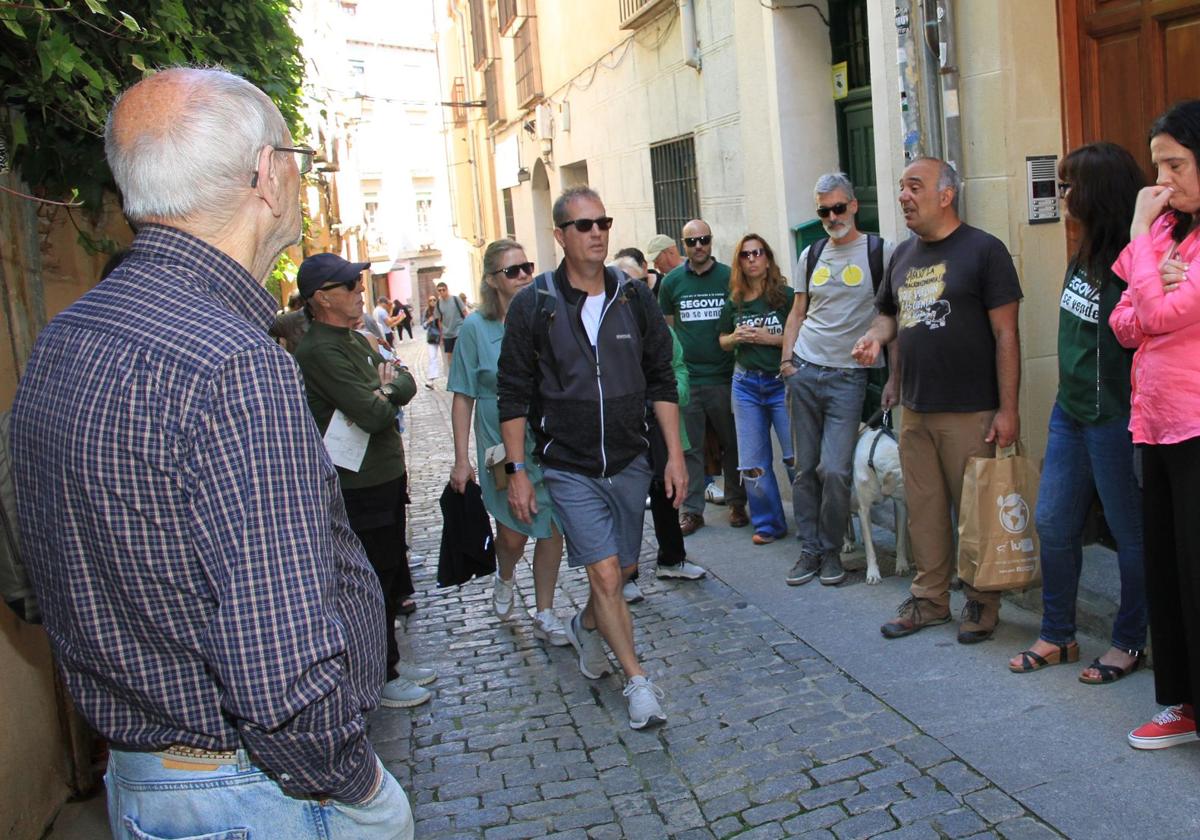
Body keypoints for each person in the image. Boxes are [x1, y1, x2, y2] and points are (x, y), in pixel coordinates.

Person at [9, 67, 414, 839]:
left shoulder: (65, 336)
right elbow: (280, 668)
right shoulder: (233, 364)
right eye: (295, 153)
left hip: (148, 783)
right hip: (255, 795)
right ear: (268, 174)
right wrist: (359, 785)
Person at [497, 186, 686, 729]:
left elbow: (660, 379)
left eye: (602, 221)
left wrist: (673, 456)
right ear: (560, 236)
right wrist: (518, 472)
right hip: (569, 466)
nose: (597, 232)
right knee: (605, 576)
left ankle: (587, 626)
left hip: (630, 461)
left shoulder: (634, 296)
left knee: (621, 571)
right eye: (584, 225)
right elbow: (511, 393)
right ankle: (638, 682)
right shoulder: (535, 305)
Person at [853, 157, 1022, 644]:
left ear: (946, 195)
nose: (904, 196)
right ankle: (929, 600)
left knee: (976, 512)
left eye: (914, 186)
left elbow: (1006, 333)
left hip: (972, 410)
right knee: (924, 510)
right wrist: (874, 340)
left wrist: (1008, 409)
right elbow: (891, 318)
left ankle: (982, 600)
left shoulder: (986, 251)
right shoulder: (902, 256)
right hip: (916, 409)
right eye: (901, 187)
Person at [1007, 144, 1146, 686]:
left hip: (1114, 418)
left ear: (1100, 193)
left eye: (1070, 187)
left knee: (1130, 535)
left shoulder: (1134, 260)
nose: (1062, 196)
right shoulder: (1082, 250)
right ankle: (1058, 633)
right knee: (1053, 522)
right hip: (1071, 413)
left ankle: (1129, 641)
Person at [293, 253, 434, 710]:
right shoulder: (318, 350)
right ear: (322, 298)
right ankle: (380, 674)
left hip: (385, 475)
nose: (359, 292)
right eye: (349, 286)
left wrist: (385, 387)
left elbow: (404, 380)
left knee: (392, 571)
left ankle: (389, 659)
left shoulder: (356, 339)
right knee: (371, 577)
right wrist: (384, 391)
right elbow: (373, 413)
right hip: (357, 484)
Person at [1109, 99, 1200, 750]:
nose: (1162, 181)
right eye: (1157, 166)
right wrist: (1155, 281)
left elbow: (1166, 317)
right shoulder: (1166, 236)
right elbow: (1125, 321)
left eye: (1175, 164)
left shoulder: (1154, 233)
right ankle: (1181, 703)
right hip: (1155, 424)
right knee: (1167, 569)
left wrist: (1145, 250)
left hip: (1197, 425)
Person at [448, 240, 568, 645]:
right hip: (498, 445)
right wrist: (461, 459)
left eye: (526, 268)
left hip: (545, 437)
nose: (522, 277)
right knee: (514, 533)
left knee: (552, 528)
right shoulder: (474, 328)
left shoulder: (545, 316)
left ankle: (546, 612)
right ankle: (505, 572)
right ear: (491, 281)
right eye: (511, 271)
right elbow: (462, 394)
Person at [781, 173, 896, 585]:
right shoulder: (810, 254)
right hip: (806, 369)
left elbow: (890, 317)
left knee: (834, 469)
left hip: (849, 378)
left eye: (838, 208)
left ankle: (831, 549)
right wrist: (787, 363)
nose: (832, 217)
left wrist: (892, 376)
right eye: (823, 211)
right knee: (804, 468)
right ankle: (810, 550)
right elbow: (797, 313)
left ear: (854, 205)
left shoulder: (880, 252)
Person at [658, 218, 749, 535]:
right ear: (683, 245)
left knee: (731, 444)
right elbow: (667, 331)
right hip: (689, 381)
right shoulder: (670, 283)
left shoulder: (728, 277)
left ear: (711, 241)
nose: (699, 246)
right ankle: (692, 510)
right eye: (692, 241)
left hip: (724, 376)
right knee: (690, 449)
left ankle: (737, 503)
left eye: (704, 240)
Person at [717, 234, 795, 545]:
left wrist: (769, 339)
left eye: (758, 253)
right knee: (751, 461)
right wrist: (735, 337)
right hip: (746, 384)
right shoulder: (734, 301)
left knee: (795, 457)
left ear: (768, 258)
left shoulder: (786, 297)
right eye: (745, 255)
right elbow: (721, 340)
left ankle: (811, 524)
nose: (752, 259)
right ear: (739, 263)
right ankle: (769, 524)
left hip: (781, 382)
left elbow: (801, 336)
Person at [436, 280, 467, 364]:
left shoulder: (455, 299)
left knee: (461, 352)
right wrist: (441, 335)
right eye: (439, 290)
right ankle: (453, 373)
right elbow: (439, 320)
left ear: (447, 289)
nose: (442, 292)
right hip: (447, 333)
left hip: (459, 329)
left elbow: (464, 312)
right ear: (437, 292)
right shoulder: (438, 304)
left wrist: (468, 326)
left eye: (443, 289)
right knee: (450, 356)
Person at [422, 294, 443, 387]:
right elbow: (424, 326)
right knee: (432, 358)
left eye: (434, 300)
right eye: (430, 300)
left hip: (443, 337)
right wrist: (429, 321)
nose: (432, 302)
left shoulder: (441, 310)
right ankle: (431, 380)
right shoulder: (427, 311)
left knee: (447, 358)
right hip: (432, 337)